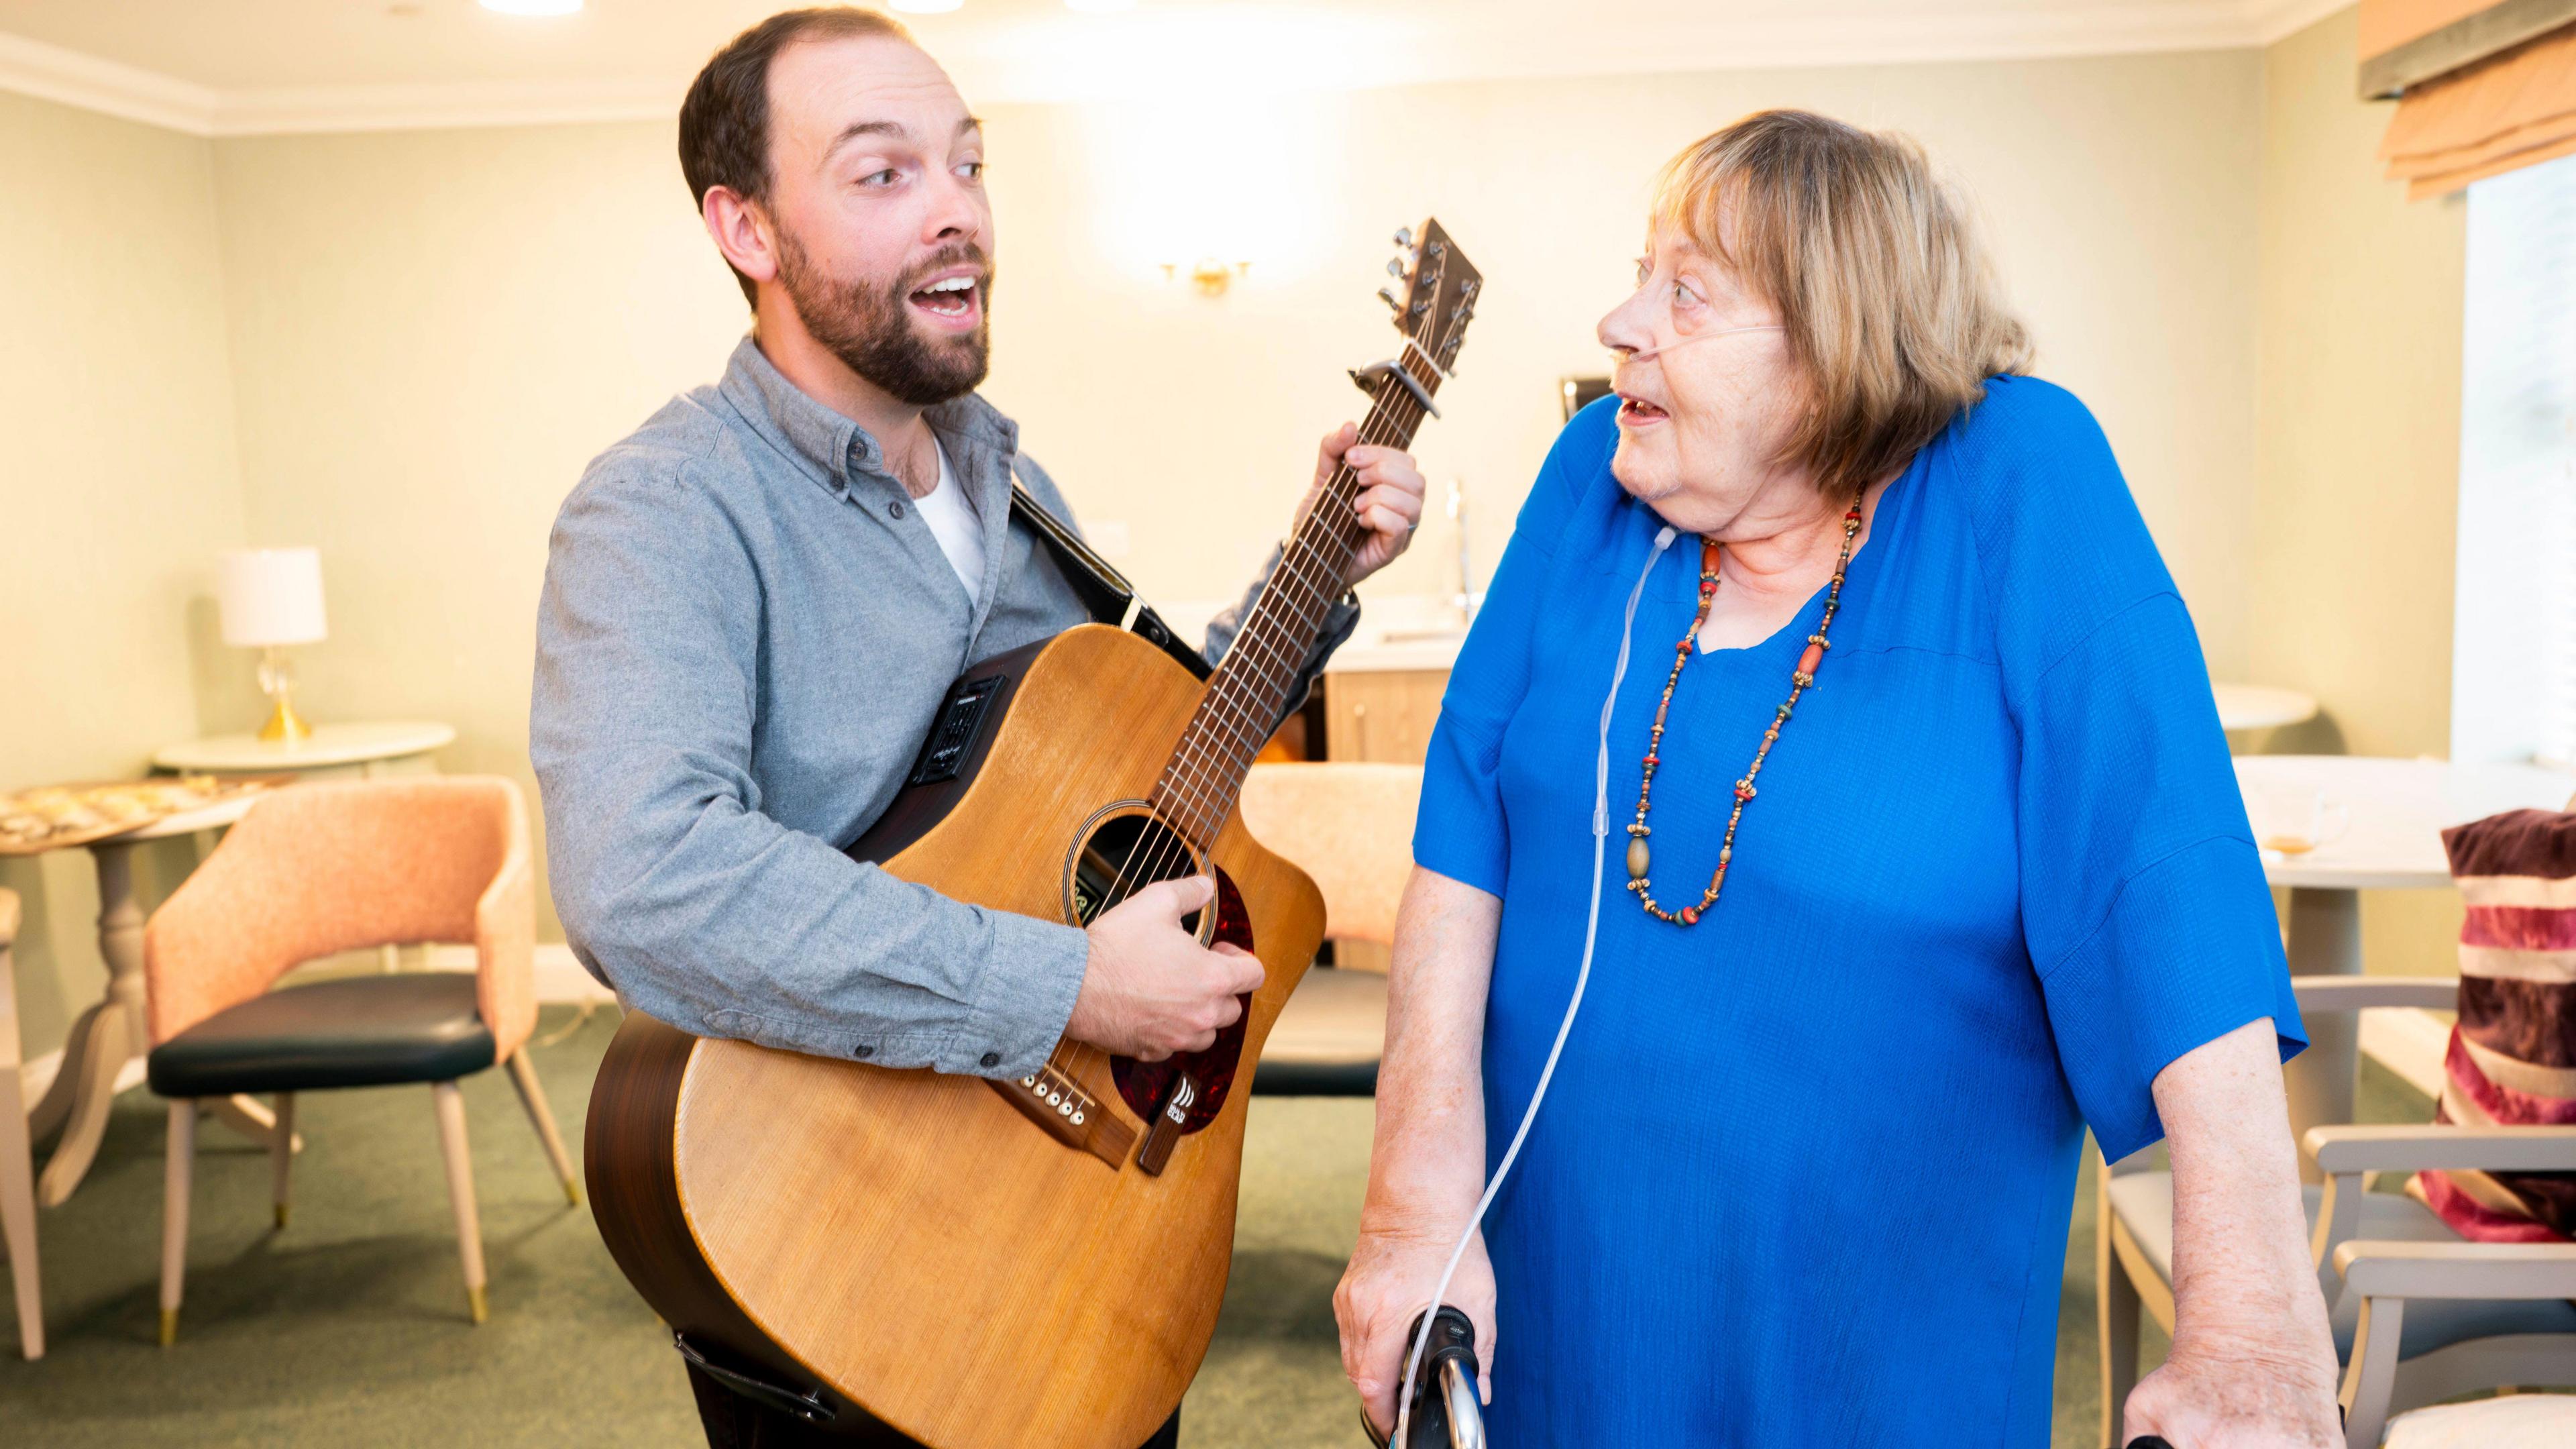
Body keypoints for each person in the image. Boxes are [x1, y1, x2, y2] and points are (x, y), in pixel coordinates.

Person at [1334, 111, 2341, 1448]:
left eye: (1685, 290)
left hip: (1882, 1336)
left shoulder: (2022, 478)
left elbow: (2167, 887)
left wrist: (2251, 1318)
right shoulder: (1594, 481)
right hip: (1559, 1297)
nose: (1620, 322)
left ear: (1832, 345)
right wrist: (1411, 1215)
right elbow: (1462, 854)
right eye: (1643, 273)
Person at [529, 9, 1426, 1447]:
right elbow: (644, 877)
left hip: (1073, 1225)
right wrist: (1066, 986)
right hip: (846, 1246)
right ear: (745, 226)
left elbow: (1126, 759)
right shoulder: (667, 508)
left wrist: (1314, 575)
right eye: (884, 176)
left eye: (968, 165)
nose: (957, 212)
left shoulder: (1009, 482)